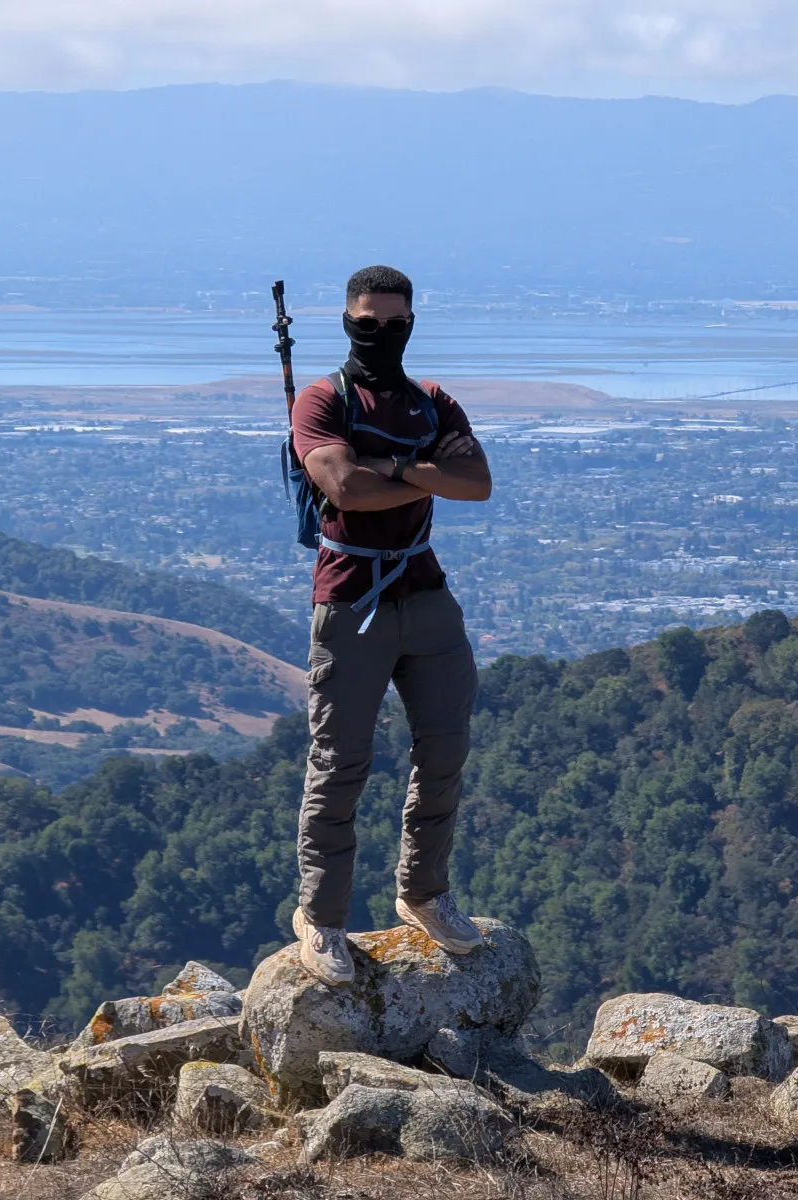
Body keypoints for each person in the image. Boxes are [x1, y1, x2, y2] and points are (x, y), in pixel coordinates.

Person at [287, 264, 493, 986]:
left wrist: (393, 466)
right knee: (340, 764)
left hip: (425, 590)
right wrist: (422, 469)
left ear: (412, 323)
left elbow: (477, 483)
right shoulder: (322, 399)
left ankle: (423, 892)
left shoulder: (431, 400)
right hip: (349, 598)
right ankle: (321, 918)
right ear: (347, 322)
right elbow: (343, 486)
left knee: (444, 752)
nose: (380, 334)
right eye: (367, 323)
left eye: (395, 323)